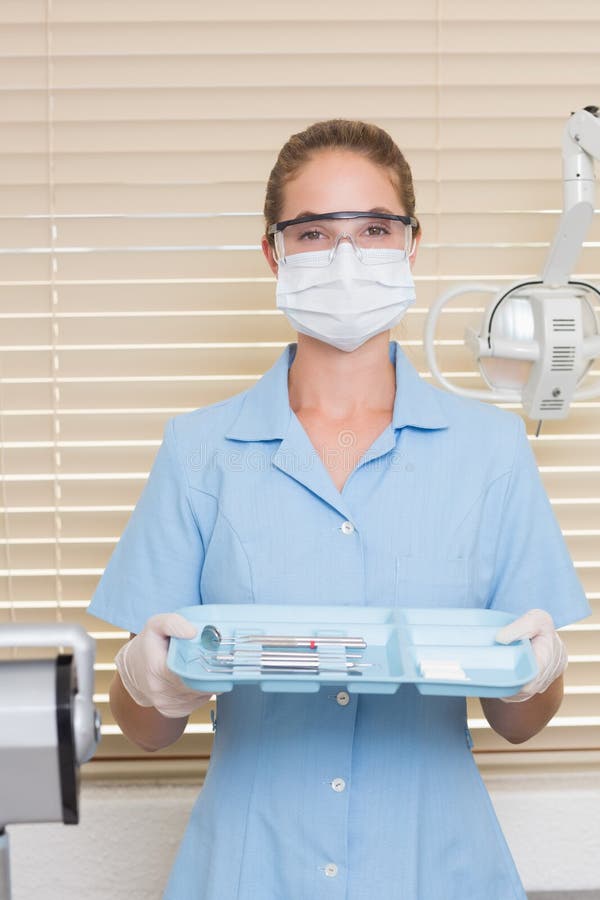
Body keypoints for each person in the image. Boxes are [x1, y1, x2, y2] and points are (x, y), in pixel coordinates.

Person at [88, 119, 591, 899]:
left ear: (412, 246)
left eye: (375, 228)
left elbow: (518, 723)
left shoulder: (489, 452)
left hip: (438, 866)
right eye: (316, 232)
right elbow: (147, 731)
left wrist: (536, 673)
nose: (348, 256)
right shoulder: (201, 451)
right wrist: (149, 680)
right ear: (274, 253)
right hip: (252, 867)